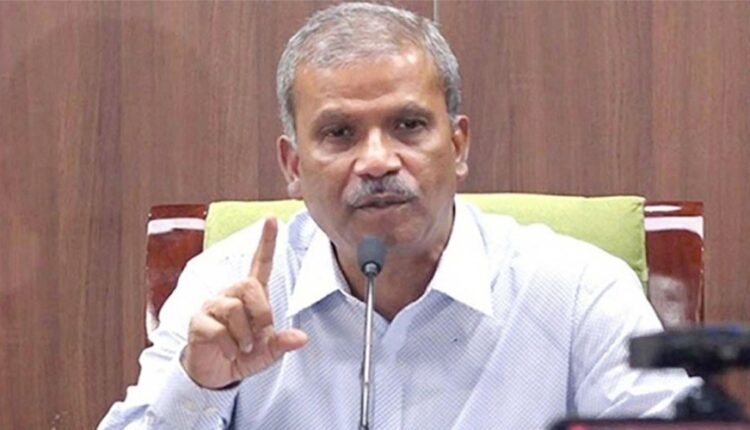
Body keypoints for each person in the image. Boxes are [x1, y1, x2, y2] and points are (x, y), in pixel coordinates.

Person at [99, 2, 696, 429]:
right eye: (339, 133)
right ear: (293, 166)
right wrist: (200, 387)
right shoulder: (224, 288)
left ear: (457, 146)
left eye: (408, 125)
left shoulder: (577, 292)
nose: (378, 161)